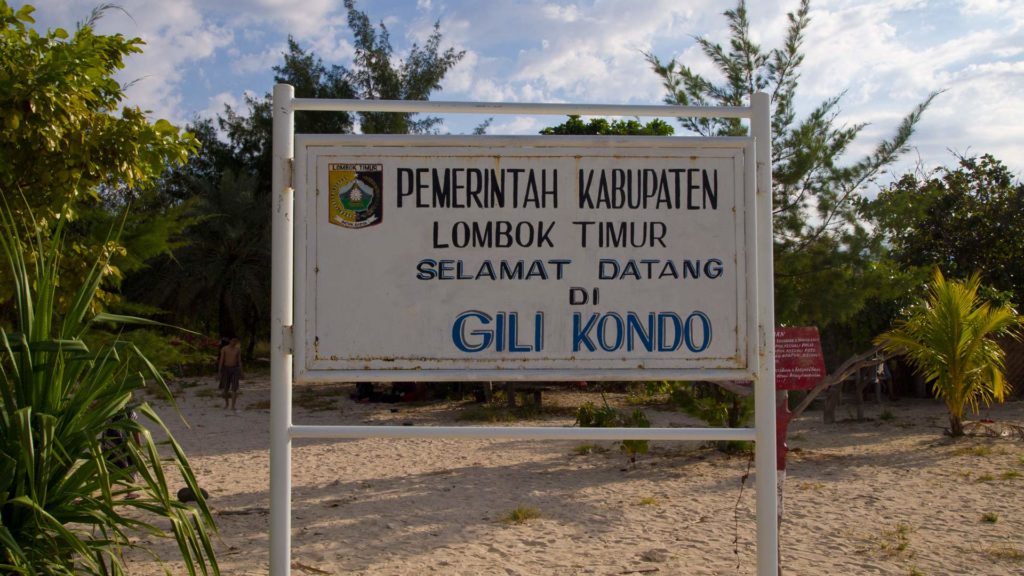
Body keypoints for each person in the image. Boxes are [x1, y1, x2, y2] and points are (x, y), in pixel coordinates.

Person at [218, 337, 243, 410]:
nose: (234, 342)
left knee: (234, 388)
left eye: (235, 341)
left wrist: (242, 372)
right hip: (226, 369)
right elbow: (221, 360)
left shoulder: (237, 350)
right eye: (232, 341)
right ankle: (226, 404)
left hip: (235, 369)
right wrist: (219, 371)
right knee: (225, 388)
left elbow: (239, 361)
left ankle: (233, 406)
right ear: (230, 341)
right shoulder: (224, 349)